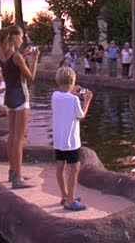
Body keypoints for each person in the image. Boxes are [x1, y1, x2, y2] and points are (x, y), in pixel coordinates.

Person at [0, 25, 40, 189]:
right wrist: (34, 59)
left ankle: (12, 172)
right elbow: (31, 78)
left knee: (12, 136)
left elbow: (13, 68)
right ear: (15, 37)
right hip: (21, 97)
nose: (23, 39)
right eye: (21, 36)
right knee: (18, 139)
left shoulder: (3, 54)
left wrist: (24, 55)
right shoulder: (17, 57)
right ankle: (18, 178)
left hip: (9, 96)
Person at [52, 66, 93, 211]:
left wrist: (71, 91)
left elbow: (64, 97)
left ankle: (64, 196)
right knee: (74, 168)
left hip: (58, 140)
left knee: (60, 166)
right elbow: (80, 116)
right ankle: (70, 201)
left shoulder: (55, 96)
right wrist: (86, 101)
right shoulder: (74, 99)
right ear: (73, 80)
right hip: (71, 141)